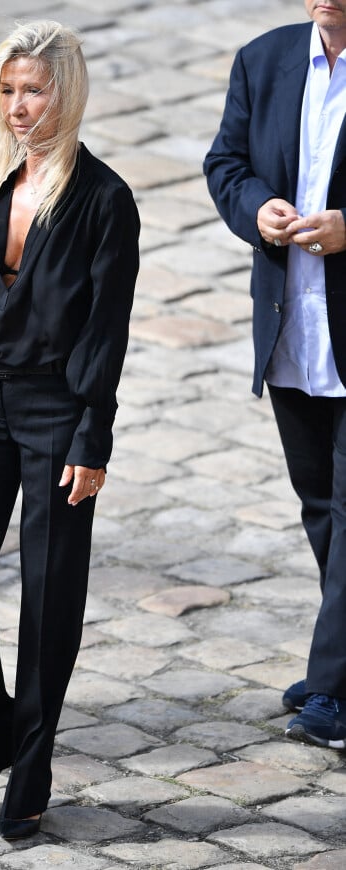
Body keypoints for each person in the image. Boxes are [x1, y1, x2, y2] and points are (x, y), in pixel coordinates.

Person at [0, 20, 139, 840]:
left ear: (66, 94)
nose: (17, 106)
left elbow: (107, 333)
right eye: (8, 90)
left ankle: (30, 770)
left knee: (49, 602)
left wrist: (93, 440)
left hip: (57, 408)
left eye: (33, 90)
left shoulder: (107, 200)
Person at [204, 1, 346, 749]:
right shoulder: (264, 59)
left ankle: (333, 689)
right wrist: (255, 208)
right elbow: (224, 163)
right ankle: (342, 659)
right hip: (292, 327)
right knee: (319, 503)